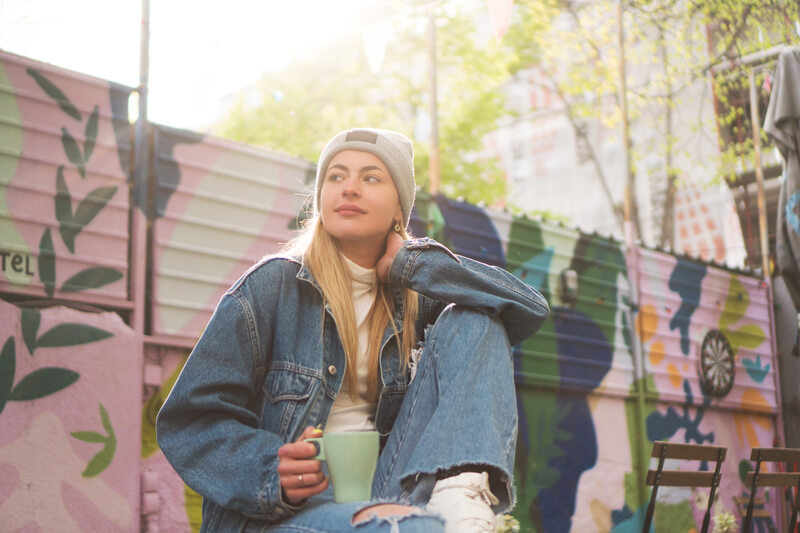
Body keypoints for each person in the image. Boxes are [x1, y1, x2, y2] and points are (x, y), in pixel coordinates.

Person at [157, 128, 549, 532]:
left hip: (386, 492)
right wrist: (269, 469)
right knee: (417, 531)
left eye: (371, 178)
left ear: (400, 207)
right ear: (321, 197)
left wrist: (417, 265)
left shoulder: (421, 299)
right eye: (336, 176)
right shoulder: (271, 287)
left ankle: (461, 496)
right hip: (287, 511)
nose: (349, 188)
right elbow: (191, 420)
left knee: (477, 316)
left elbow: (528, 309)